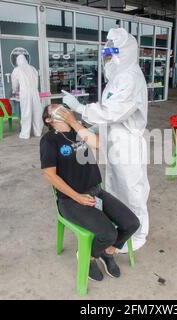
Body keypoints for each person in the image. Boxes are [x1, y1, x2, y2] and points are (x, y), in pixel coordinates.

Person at [63, 28, 149, 253]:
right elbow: (107, 114)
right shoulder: (118, 78)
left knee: (132, 189)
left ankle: (136, 234)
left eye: (113, 55)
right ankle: (119, 228)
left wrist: (80, 108)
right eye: (107, 55)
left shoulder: (130, 77)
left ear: (126, 53)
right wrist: (84, 126)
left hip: (128, 142)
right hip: (114, 140)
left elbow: (113, 112)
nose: (109, 60)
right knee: (115, 188)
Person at [40, 104, 140, 281]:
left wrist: (74, 122)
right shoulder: (49, 140)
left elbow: (97, 143)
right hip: (71, 201)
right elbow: (49, 174)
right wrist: (77, 197)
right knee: (108, 233)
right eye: (55, 109)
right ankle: (88, 256)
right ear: (49, 120)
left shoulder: (78, 130)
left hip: (96, 192)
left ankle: (107, 252)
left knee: (132, 223)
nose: (61, 108)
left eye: (62, 106)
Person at [11, 54, 43, 139]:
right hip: (35, 92)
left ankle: (25, 134)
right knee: (37, 111)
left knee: (26, 112)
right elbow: (37, 81)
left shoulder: (17, 69)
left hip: (25, 92)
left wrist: (15, 90)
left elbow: (15, 83)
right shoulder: (33, 68)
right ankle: (38, 132)